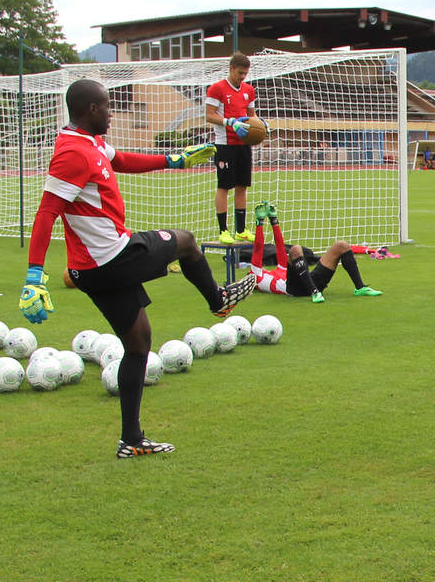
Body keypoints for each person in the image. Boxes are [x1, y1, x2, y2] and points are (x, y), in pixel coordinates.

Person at [20, 79, 258, 458]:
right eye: (108, 106)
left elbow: (124, 161)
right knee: (187, 242)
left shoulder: (91, 143)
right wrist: (34, 274)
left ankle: (131, 440)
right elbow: (47, 211)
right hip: (113, 257)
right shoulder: (71, 153)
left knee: (138, 344)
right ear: (91, 110)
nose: (113, 113)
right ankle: (219, 301)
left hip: (96, 268)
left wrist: (173, 160)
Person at [246, 202, 382, 300]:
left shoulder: (276, 270)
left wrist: (274, 221)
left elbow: (280, 248)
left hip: (309, 280)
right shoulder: (255, 276)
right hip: (294, 290)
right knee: (296, 249)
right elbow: (258, 249)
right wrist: (260, 222)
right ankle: (314, 292)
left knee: (342, 245)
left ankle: (360, 287)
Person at [205, 52, 257, 244]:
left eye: (245, 73)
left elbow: (252, 115)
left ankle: (241, 230)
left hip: (243, 145)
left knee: (242, 186)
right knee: (224, 186)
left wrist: (261, 125)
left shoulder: (249, 90)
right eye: (240, 73)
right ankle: (223, 230)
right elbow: (209, 115)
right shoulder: (217, 89)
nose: (242, 77)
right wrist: (229, 122)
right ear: (231, 69)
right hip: (225, 145)